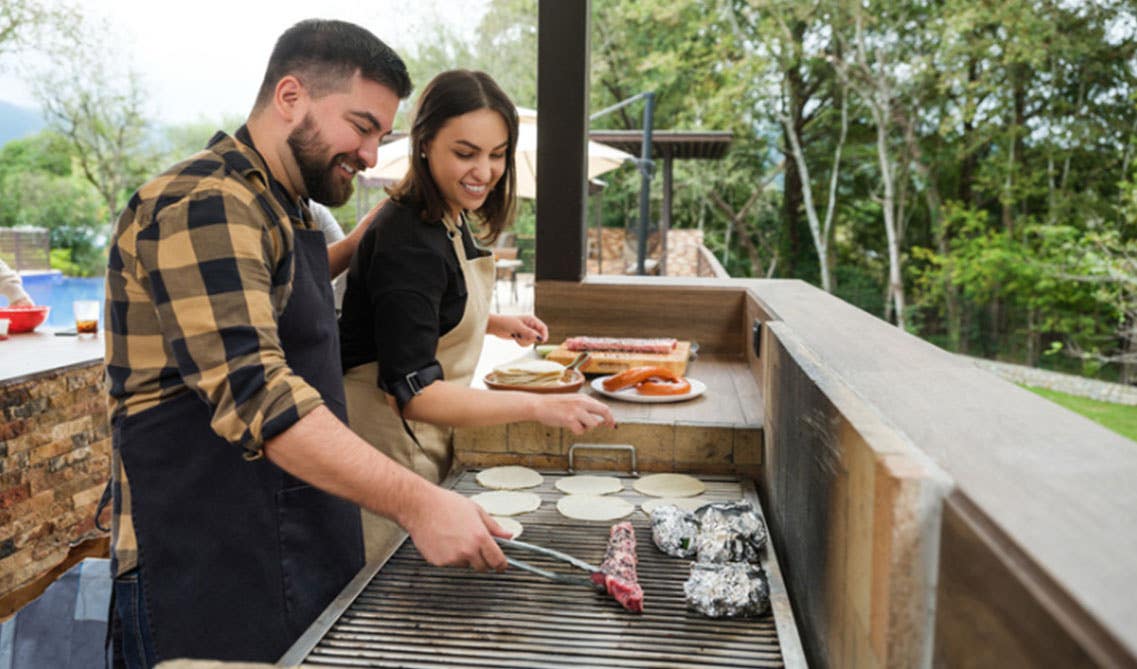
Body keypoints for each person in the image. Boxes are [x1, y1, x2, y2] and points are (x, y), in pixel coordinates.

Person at [102, 21, 510, 666]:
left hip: (287, 532)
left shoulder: (282, 203)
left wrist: (358, 242)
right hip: (204, 557)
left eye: (381, 134)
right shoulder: (203, 203)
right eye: (362, 126)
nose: (373, 155)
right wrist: (418, 501)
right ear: (290, 96)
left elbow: (288, 292)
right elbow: (258, 393)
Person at [338, 70, 615, 558]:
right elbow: (415, 395)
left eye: (497, 154)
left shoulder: (449, 214)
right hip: (385, 448)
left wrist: (491, 322)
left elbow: (422, 306)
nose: (484, 171)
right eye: (465, 153)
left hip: (417, 444)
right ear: (424, 143)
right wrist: (539, 405)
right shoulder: (408, 238)